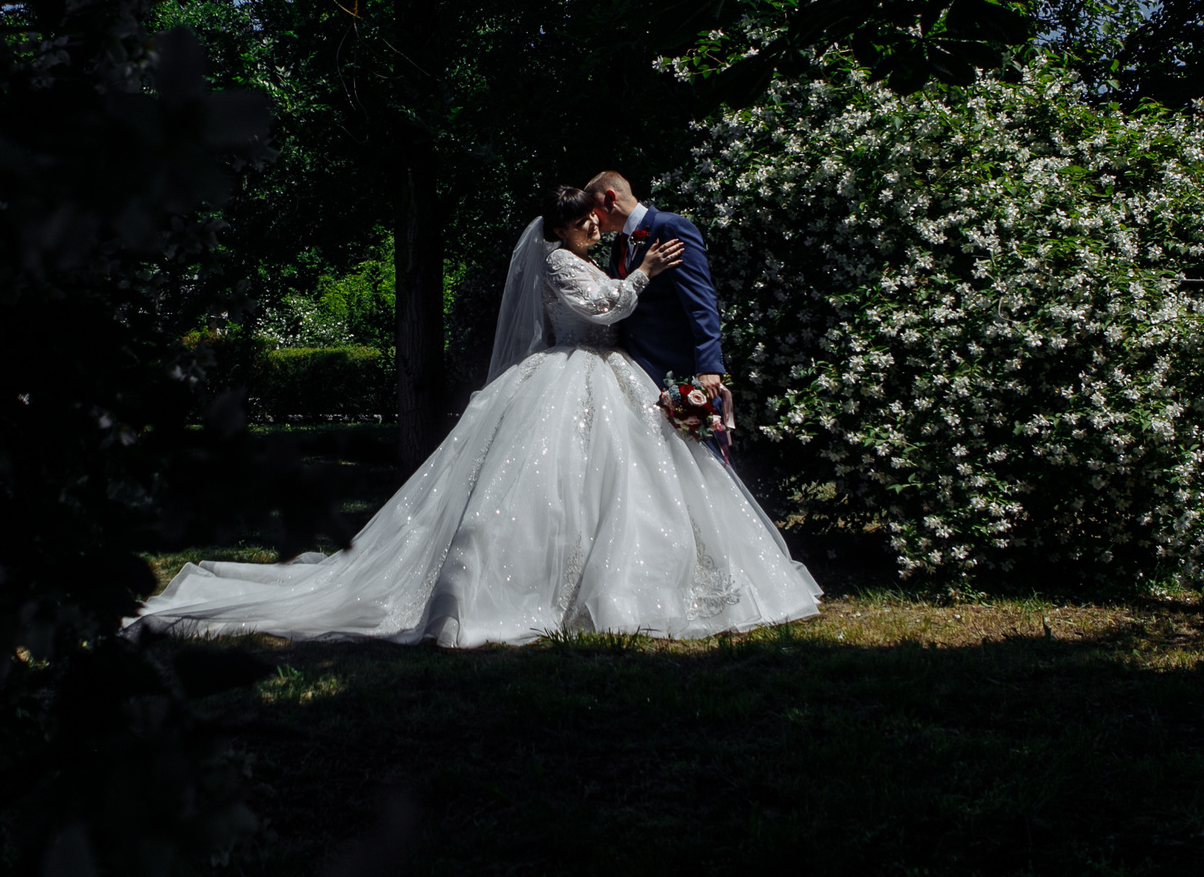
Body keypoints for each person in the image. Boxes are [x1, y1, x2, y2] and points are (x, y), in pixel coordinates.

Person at [126, 184, 822, 648]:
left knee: (631, 489)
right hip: (571, 375)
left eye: (593, 219)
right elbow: (604, 306)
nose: (593, 226)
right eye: (584, 220)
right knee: (550, 491)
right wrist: (644, 275)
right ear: (560, 225)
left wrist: (638, 277)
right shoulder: (556, 263)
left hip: (611, 378)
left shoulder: (580, 253)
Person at [585, 170, 728, 444]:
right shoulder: (618, 246)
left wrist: (710, 365)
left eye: (592, 210)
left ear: (610, 199)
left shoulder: (671, 227)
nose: (592, 219)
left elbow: (701, 299)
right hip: (641, 368)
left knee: (702, 451)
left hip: (681, 364)